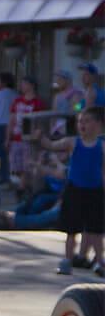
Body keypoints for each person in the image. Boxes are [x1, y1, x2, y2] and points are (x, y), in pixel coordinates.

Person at [45, 106, 104, 274]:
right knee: (71, 229)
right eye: (80, 121)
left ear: (97, 125)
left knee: (96, 230)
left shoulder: (101, 146)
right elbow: (51, 145)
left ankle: (100, 261)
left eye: (86, 121)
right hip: (75, 190)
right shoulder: (72, 142)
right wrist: (40, 138)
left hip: (95, 191)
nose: (82, 125)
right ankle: (67, 260)